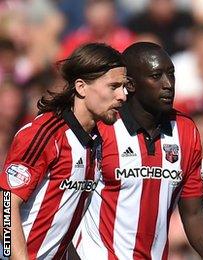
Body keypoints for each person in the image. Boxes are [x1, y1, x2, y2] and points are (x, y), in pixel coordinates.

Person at [72, 42, 203, 259]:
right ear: (130, 84)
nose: (168, 84)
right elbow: (66, 208)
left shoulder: (186, 130)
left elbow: (194, 212)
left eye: (171, 74)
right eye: (156, 76)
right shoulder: (101, 128)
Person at [0, 43, 127, 259]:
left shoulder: (95, 142)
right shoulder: (45, 133)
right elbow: (5, 203)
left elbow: (63, 220)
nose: (122, 96)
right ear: (81, 87)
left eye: (123, 87)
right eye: (113, 86)